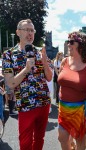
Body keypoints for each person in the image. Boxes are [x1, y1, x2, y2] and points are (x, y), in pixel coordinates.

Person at [2, 19, 52, 150]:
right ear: (18, 32)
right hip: (25, 105)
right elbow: (10, 83)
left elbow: (49, 77)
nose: (30, 33)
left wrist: (45, 62)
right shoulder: (9, 54)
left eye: (32, 30)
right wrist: (26, 69)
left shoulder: (40, 52)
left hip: (44, 102)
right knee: (25, 142)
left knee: (39, 138)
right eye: (27, 30)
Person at [57, 31, 86, 150]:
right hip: (64, 108)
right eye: (67, 41)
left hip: (81, 110)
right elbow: (63, 81)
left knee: (80, 142)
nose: (68, 44)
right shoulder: (65, 61)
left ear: (81, 45)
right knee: (62, 137)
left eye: (71, 42)